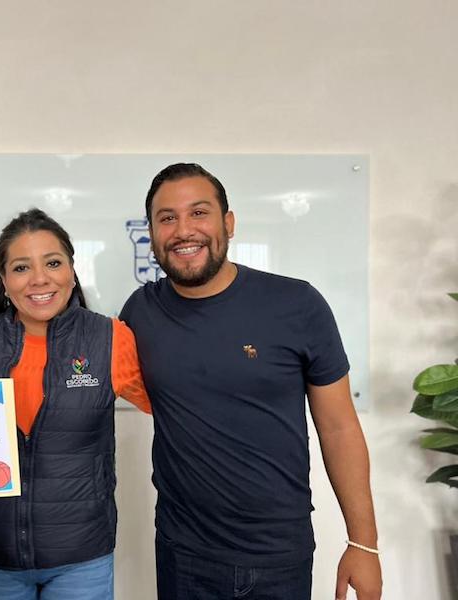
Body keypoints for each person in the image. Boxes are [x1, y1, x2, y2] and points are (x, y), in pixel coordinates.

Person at [120, 163, 382, 600]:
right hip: (182, 554)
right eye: (167, 218)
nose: (184, 230)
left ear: (229, 222)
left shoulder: (297, 304)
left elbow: (339, 427)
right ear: (151, 232)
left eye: (199, 213)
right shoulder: (140, 312)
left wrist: (363, 543)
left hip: (278, 556)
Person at [0, 208, 151, 600]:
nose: (39, 279)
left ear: (72, 270)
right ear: (5, 281)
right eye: (21, 268)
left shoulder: (110, 338)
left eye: (52, 263)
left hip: (81, 555)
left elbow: (175, 404)